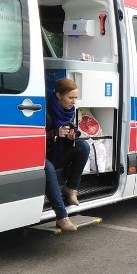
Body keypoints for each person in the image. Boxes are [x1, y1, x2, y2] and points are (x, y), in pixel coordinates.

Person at [46, 78, 90, 232]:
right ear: (58, 95)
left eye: (75, 97)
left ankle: (71, 189)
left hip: (57, 151)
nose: (73, 101)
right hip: (43, 154)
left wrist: (73, 135)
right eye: (70, 97)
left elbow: (73, 128)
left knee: (83, 146)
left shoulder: (69, 110)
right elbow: (34, 137)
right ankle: (62, 217)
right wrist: (54, 134)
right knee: (48, 167)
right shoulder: (45, 109)